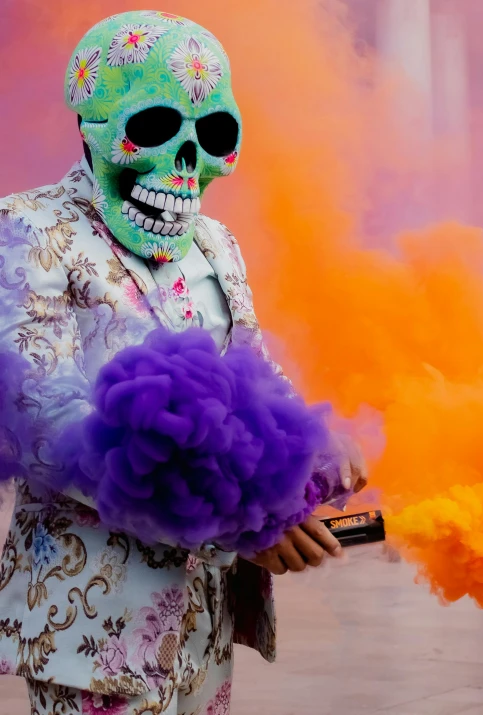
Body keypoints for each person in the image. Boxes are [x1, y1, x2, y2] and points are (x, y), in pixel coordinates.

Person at [0, 11, 366, 715]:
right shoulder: (27, 228)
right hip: (93, 621)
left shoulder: (216, 242)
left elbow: (254, 374)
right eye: (157, 127)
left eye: (215, 137)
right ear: (93, 122)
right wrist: (247, 513)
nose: (188, 163)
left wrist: (314, 449)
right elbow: (45, 423)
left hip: (204, 616)